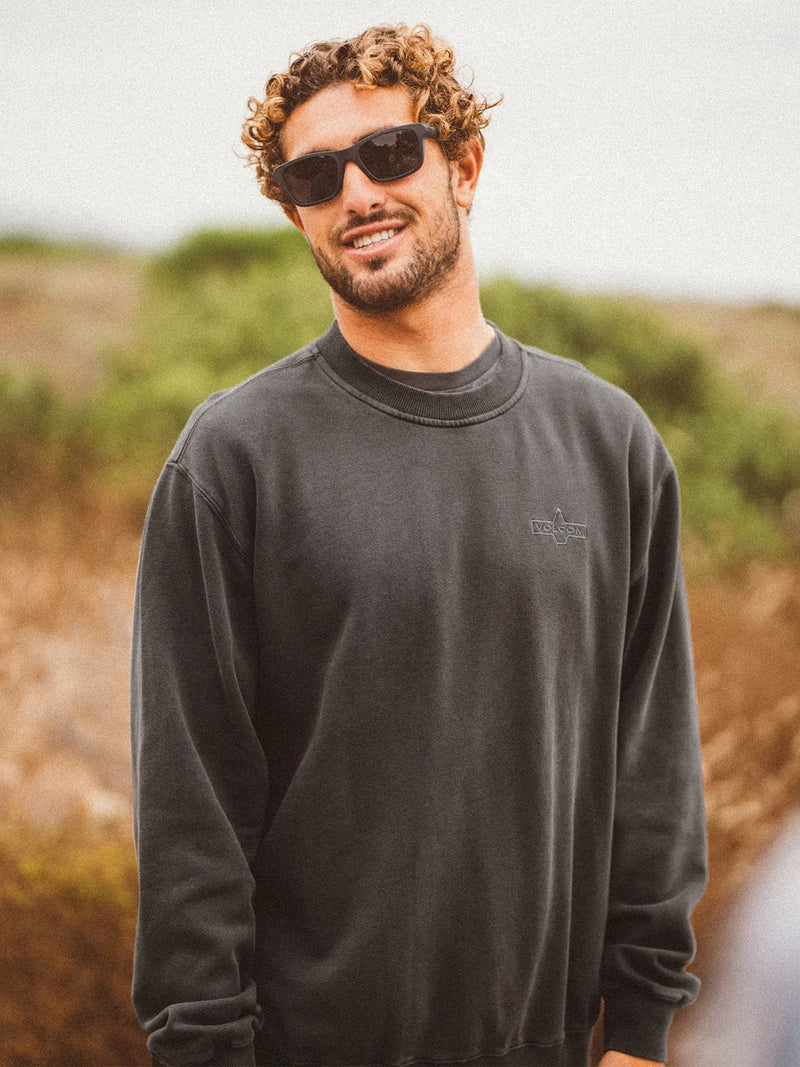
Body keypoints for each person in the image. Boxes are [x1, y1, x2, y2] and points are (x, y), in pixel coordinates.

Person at [130, 23, 707, 1067]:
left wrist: (638, 1029)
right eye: (315, 176)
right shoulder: (233, 460)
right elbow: (191, 813)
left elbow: (652, 759)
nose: (356, 192)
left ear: (465, 165)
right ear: (294, 211)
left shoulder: (608, 442)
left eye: (390, 153)